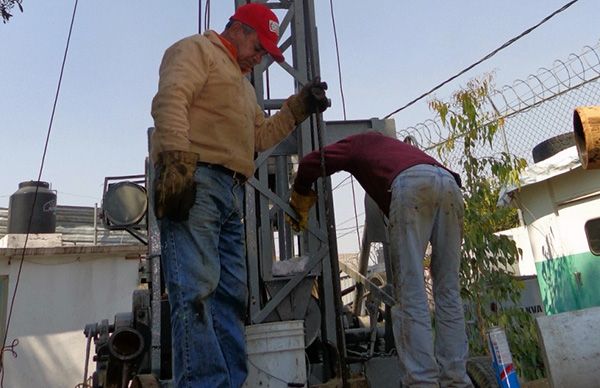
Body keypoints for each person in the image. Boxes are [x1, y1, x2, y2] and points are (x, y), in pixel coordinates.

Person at [150, 3, 329, 387]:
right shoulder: (196, 50)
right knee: (196, 293)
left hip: (229, 192)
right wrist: (176, 165)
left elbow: (259, 139)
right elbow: (171, 100)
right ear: (239, 29)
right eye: (260, 47)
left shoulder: (243, 86)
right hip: (195, 181)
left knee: (230, 295)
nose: (261, 57)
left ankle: (229, 381)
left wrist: (298, 107)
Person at [289, 131, 473, 387]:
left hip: (411, 187)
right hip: (450, 185)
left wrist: (299, 194)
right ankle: (456, 380)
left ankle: (423, 382)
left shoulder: (357, 143)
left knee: (411, 294)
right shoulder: (399, 151)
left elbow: (313, 161)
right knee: (449, 291)